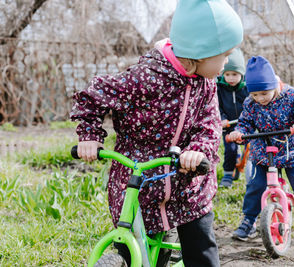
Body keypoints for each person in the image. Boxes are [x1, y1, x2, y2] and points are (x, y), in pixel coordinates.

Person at [70, 0, 243, 266]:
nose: (229, 61)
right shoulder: (145, 78)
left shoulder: (207, 85)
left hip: (187, 182)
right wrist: (90, 135)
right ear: (201, 52)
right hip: (140, 182)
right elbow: (92, 97)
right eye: (225, 54)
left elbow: (208, 124)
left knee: (201, 249)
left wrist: (197, 150)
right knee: (133, 251)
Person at [228, 56, 294, 246]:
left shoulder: (292, 96)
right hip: (264, 151)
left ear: (274, 84)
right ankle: (249, 221)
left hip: (292, 149)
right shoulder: (251, 103)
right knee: (255, 185)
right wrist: (239, 133)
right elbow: (245, 123)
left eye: (264, 93)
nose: (260, 98)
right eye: (255, 95)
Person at [217, 47, 249, 188]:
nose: (230, 78)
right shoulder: (220, 87)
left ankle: (243, 164)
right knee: (230, 149)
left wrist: (248, 117)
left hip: (245, 124)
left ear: (241, 74)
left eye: (235, 74)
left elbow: (251, 104)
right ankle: (228, 174)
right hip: (228, 125)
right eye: (227, 74)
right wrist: (222, 118)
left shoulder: (246, 88)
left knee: (251, 148)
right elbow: (217, 106)